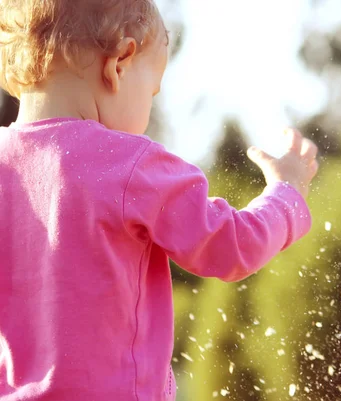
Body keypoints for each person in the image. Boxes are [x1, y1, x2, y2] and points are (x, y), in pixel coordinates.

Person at [0, 1, 319, 400]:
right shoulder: (129, 165)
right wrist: (285, 194)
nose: (149, 108)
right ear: (120, 62)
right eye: (152, 90)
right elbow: (232, 245)